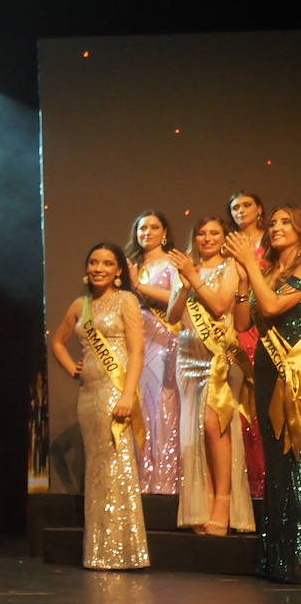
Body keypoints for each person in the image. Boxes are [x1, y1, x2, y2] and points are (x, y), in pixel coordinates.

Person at [49, 243, 149, 570]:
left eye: (107, 263)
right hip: (88, 394)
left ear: (119, 271)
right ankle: (99, 551)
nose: (99, 268)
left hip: (115, 389)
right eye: (94, 262)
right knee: (97, 469)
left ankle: (123, 551)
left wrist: (128, 395)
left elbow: (136, 352)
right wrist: (71, 367)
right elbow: (58, 342)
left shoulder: (127, 301)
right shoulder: (81, 305)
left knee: (117, 465)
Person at [227, 207, 301, 583]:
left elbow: (272, 306)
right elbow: (243, 322)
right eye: (272, 222)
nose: (275, 227)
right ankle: (279, 558)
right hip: (268, 372)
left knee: (295, 460)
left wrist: (249, 266)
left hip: (296, 374)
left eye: (285, 221)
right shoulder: (269, 272)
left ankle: (297, 557)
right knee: (277, 461)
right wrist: (243, 279)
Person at [166, 217, 253, 535]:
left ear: (224, 237)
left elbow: (219, 307)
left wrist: (192, 277)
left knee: (215, 426)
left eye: (214, 232)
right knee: (196, 436)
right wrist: (185, 286)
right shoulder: (189, 269)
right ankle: (201, 507)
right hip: (188, 360)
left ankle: (223, 504)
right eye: (201, 233)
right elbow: (174, 316)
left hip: (220, 360)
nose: (207, 238)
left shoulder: (231, 268)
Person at [125, 210, 181, 494]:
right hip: (135, 343)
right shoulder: (128, 264)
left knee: (163, 408)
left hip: (163, 342)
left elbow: (178, 296)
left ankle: (166, 484)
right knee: (139, 409)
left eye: (153, 227)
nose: (147, 232)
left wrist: (139, 286)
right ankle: (140, 483)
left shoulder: (173, 262)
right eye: (142, 228)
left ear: (165, 232)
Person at [228, 191, 268, 497]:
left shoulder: (272, 243)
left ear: (259, 210)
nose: (240, 210)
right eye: (235, 207)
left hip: (267, 328)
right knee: (240, 406)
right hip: (237, 328)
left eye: (246, 205)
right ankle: (246, 484)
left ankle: (268, 478)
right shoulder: (228, 246)